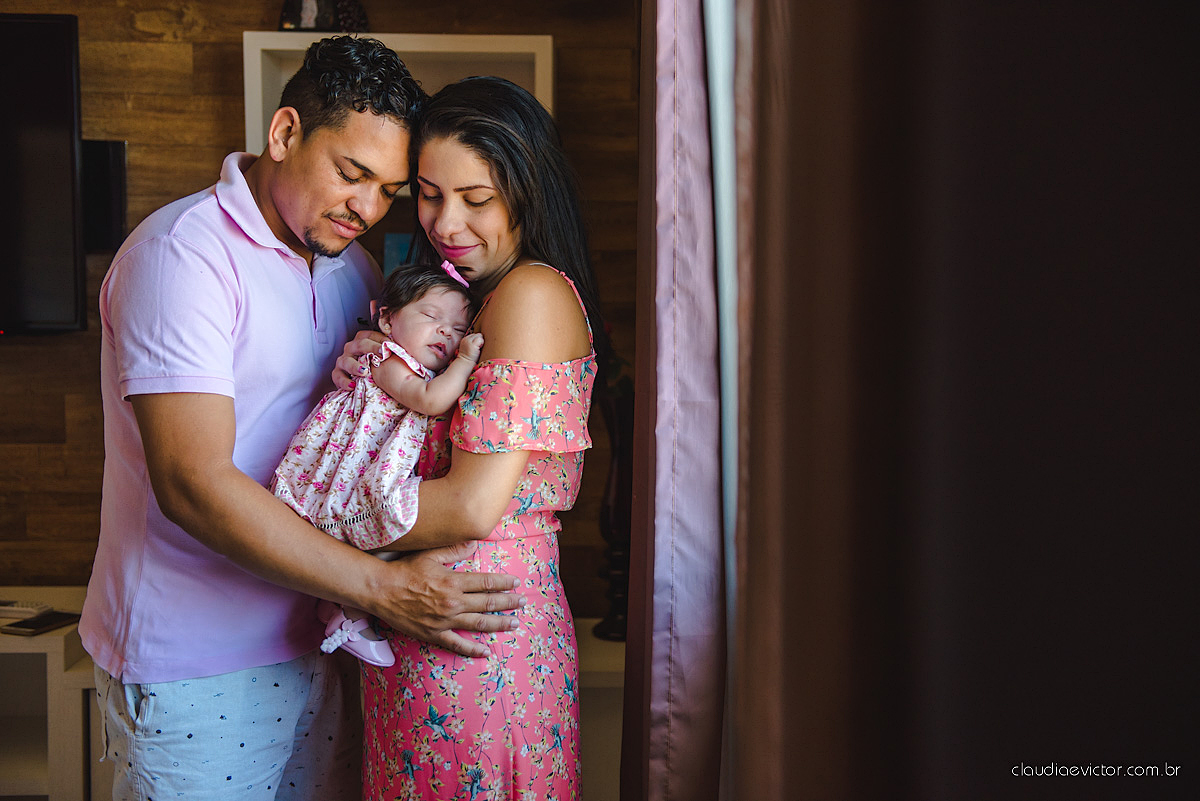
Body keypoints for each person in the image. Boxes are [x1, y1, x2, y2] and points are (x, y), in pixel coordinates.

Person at [78, 37, 524, 801]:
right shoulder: (182, 256)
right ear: (285, 132)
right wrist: (385, 590)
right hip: (197, 665)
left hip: (322, 641)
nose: (368, 209)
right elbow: (191, 482)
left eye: (388, 190)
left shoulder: (352, 267)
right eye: (352, 174)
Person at [337, 75, 608, 801]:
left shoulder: (531, 294)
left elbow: (470, 506)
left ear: (526, 192)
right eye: (429, 194)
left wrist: (314, 520)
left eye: (476, 198)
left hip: (480, 644)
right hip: (425, 627)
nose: (446, 223)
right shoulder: (465, 299)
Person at [271, 261, 484, 667]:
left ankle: (339, 608)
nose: (446, 332)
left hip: (366, 466)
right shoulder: (386, 357)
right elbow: (430, 400)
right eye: (432, 316)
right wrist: (465, 360)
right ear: (386, 319)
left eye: (458, 329)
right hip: (351, 471)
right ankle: (348, 613)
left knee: (379, 538)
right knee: (379, 532)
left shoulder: (411, 364)